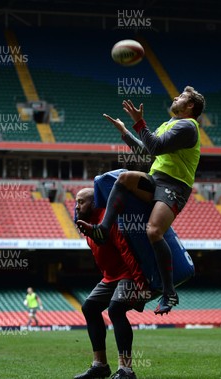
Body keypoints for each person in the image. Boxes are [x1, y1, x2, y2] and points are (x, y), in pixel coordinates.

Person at [77, 86, 205, 315]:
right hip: (157, 180)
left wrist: (139, 122)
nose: (176, 97)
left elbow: (154, 146)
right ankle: (103, 229)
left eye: (182, 97)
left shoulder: (188, 126)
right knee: (124, 178)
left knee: (153, 231)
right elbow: (148, 153)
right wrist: (126, 132)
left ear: (190, 106)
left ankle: (169, 292)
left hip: (175, 186)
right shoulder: (170, 125)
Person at [74, 188, 150, 379]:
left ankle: (126, 370)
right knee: (89, 308)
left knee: (115, 309)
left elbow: (125, 250)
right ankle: (100, 365)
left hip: (128, 273)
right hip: (110, 276)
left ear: (93, 203)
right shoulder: (86, 225)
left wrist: (139, 282)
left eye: (81, 202)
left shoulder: (107, 219)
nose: (76, 206)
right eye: (76, 202)